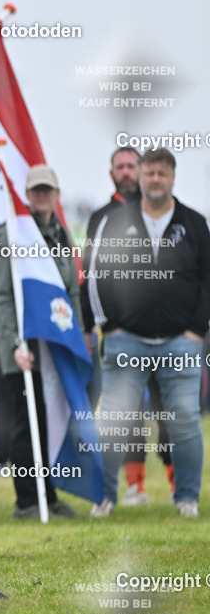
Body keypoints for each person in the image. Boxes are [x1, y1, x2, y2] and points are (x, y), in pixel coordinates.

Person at [87, 148, 210, 519]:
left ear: (172, 177)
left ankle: (186, 497)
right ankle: (105, 496)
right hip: (127, 338)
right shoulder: (115, 221)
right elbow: (96, 277)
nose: (155, 179)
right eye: (149, 173)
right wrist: (111, 325)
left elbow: (207, 281)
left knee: (185, 418)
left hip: (181, 340)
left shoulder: (194, 223)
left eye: (162, 173)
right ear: (140, 177)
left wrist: (196, 330)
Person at [81, 146, 170, 507]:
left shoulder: (168, 212)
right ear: (111, 173)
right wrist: (92, 326)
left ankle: (180, 487)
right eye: (120, 166)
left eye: (133, 165)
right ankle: (134, 486)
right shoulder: (101, 218)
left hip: (168, 333)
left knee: (169, 409)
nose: (127, 171)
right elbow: (89, 276)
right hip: (120, 333)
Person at [0, 165, 79, 520]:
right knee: (27, 425)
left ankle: (49, 494)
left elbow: (71, 291)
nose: (41, 195)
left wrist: (81, 337)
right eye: (35, 190)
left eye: (48, 190)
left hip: (56, 347)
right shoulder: (10, 234)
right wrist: (16, 343)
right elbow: (3, 297)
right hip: (24, 351)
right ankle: (27, 500)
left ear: (56, 194)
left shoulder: (62, 235)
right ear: (26, 194)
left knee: (53, 421)